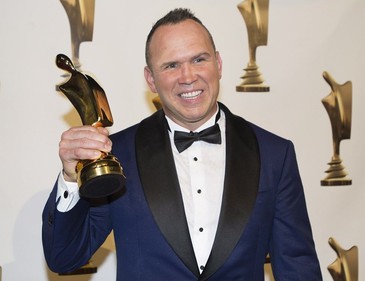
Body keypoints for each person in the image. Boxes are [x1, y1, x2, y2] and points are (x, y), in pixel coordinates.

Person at [42, 8, 323, 281]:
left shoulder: (274, 154)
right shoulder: (116, 154)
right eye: (171, 65)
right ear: (151, 79)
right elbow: (64, 256)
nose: (188, 77)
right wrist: (70, 177)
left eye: (199, 59)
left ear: (219, 64)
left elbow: (298, 268)